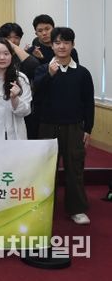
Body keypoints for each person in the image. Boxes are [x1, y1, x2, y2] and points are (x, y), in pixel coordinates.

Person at [34, 27, 95, 225]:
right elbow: (36, 96)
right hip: (47, 126)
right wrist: (49, 75)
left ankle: (77, 209)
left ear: (72, 45)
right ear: (52, 45)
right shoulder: (43, 69)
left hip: (74, 127)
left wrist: (88, 129)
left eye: (66, 42)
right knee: (46, 169)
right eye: (58, 42)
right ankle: (43, 208)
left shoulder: (82, 73)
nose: (62, 46)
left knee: (75, 168)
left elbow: (88, 103)